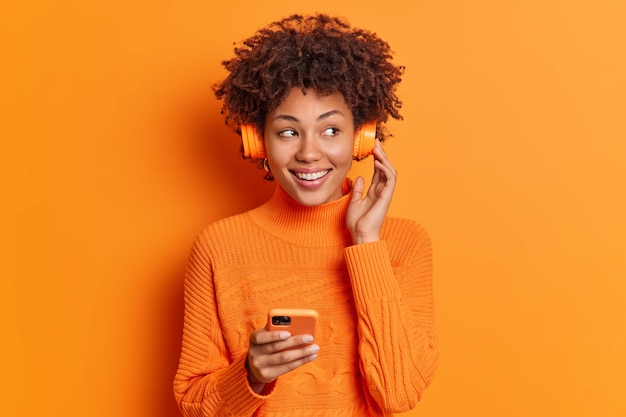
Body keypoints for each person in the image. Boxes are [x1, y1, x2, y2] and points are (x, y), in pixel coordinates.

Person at [173, 13, 438, 416]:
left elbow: (398, 395)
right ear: (258, 141)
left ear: (362, 138)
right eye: (288, 131)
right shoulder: (219, 246)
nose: (309, 153)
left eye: (330, 130)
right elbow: (193, 404)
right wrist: (251, 374)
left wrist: (366, 243)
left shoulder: (404, 244)